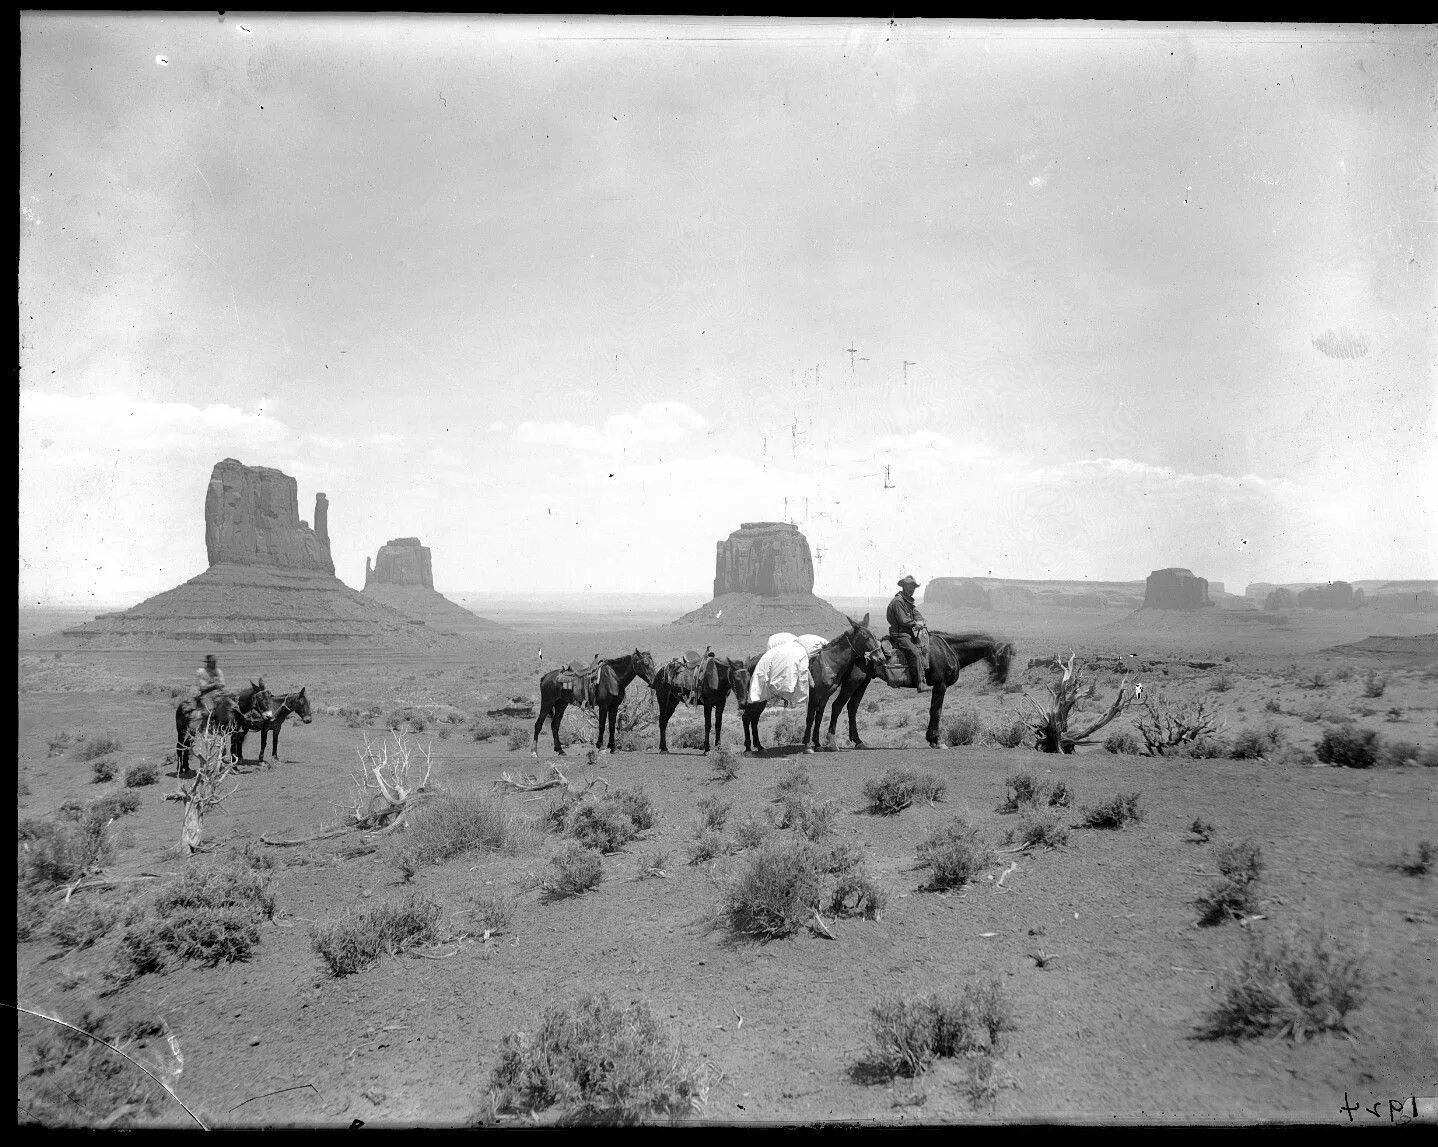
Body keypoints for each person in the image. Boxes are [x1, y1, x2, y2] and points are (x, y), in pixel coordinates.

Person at [887, 576, 930, 693]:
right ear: (903, 587)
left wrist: (920, 620)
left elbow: (916, 613)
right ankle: (920, 683)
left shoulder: (907, 601)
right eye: (909, 586)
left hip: (908, 633)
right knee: (915, 653)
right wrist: (915, 624)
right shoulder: (898, 602)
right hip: (900, 635)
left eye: (913, 587)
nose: (912, 589)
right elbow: (903, 620)